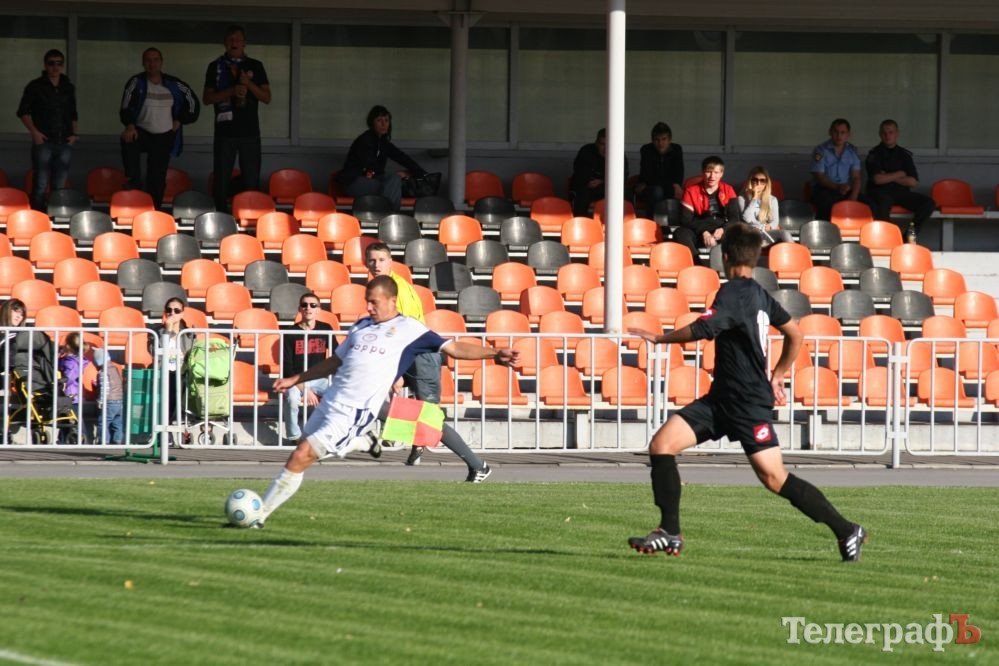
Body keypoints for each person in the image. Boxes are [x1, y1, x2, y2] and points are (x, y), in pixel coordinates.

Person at [626, 223, 867, 562]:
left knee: (774, 477)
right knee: (662, 445)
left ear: (724, 257)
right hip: (721, 399)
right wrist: (778, 375)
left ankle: (846, 529)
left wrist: (660, 338)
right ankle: (669, 531)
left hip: (748, 403)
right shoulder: (758, 293)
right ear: (755, 258)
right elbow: (795, 333)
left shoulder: (733, 293)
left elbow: (703, 328)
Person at [254, 276, 519, 527]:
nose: (368, 307)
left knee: (302, 455)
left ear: (392, 300)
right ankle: (362, 442)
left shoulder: (411, 329)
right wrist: (296, 379)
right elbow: (335, 361)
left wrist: (495, 354)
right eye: (367, 301)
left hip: (356, 409)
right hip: (332, 400)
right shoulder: (361, 325)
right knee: (301, 452)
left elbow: (454, 348)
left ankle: (258, 515)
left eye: (374, 302)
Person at [365, 241, 440, 465]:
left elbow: (406, 332)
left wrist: (397, 370)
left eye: (381, 260)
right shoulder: (382, 286)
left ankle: (472, 461)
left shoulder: (398, 288)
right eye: (372, 260)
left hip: (419, 353)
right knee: (371, 391)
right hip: (405, 351)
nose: (376, 265)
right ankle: (389, 435)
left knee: (427, 408)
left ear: (390, 262)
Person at [119, 47, 200, 209]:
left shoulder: (174, 83)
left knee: (157, 178)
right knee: (127, 139)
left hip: (164, 135)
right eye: (148, 60)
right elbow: (125, 107)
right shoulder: (136, 82)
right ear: (143, 63)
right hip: (141, 131)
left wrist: (180, 120)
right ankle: (133, 181)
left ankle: (154, 209)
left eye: (155, 60)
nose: (152, 64)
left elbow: (193, 103)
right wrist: (129, 125)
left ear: (161, 63)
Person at [203, 24, 271, 212]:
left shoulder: (255, 66)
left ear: (244, 43)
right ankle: (220, 216)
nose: (234, 43)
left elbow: (266, 97)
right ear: (225, 43)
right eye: (231, 39)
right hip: (225, 132)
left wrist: (249, 84)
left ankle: (250, 216)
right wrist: (231, 91)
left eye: (238, 39)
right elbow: (207, 98)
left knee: (251, 178)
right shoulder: (215, 66)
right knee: (221, 178)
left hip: (250, 132)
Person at [16, 49, 79, 211]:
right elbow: (22, 112)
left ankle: (54, 217)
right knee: (41, 184)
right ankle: (37, 217)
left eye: (59, 63)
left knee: (59, 185)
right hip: (44, 140)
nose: (55, 67)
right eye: (51, 63)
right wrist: (35, 133)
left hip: (64, 140)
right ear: (45, 65)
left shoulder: (68, 87)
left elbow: (73, 113)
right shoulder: (35, 86)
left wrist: (74, 135)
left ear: (63, 65)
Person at [337, 105, 426, 211]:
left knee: (394, 181)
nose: (384, 124)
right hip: (354, 182)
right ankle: (388, 215)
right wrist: (398, 175)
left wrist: (422, 173)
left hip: (371, 180)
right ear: (372, 123)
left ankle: (387, 214)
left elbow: (402, 157)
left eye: (386, 120)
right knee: (391, 184)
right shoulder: (365, 140)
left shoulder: (383, 142)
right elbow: (371, 166)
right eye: (379, 120)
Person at [865, 119, 936, 245]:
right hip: (881, 193)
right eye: (884, 133)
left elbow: (913, 182)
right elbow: (877, 180)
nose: (887, 136)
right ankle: (886, 241)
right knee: (881, 204)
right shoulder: (874, 154)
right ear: (880, 134)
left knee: (928, 204)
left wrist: (888, 176)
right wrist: (900, 174)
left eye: (891, 132)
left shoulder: (904, 155)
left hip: (900, 193)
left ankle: (908, 236)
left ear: (897, 134)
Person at [281, 292, 335, 443]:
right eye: (304, 305)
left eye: (313, 305)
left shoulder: (326, 329)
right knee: (292, 399)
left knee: (339, 395)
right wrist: (305, 389)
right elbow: (287, 369)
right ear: (299, 309)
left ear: (318, 309)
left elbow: (337, 355)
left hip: (319, 379)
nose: (308, 308)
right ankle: (295, 437)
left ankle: (331, 434)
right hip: (296, 380)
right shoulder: (289, 332)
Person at [671, 156, 740, 265]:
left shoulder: (728, 190)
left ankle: (730, 266)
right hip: (697, 228)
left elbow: (734, 218)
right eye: (708, 172)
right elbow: (685, 220)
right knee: (680, 233)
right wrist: (704, 232)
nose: (712, 176)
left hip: (720, 227)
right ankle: (697, 264)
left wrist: (723, 229)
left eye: (716, 172)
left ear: (721, 174)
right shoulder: (691, 191)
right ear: (702, 172)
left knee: (739, 232)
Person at [149, 297, 193, 426]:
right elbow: (155, 351)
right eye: (169, 310)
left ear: (182, 313)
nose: (172, 313)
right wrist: (167, 331)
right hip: (163, 371)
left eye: (176, 310)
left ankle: (170, 427)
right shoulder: (156, 332)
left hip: (182, 372)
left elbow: (190, 353)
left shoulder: (188, 333)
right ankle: (165, 429)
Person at [810, 118, 863, 221]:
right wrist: (838, 187)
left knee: (870, 205)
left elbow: (856, 177)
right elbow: (819, 177)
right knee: (828, 206)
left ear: (848, 135)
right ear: (830, 132)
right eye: (836, 132)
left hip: (845, 190)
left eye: (843, 132)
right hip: (825, 189)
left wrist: (854, 196)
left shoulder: (852, 151)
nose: (839, 136)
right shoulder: (820, 150)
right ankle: (826, 230)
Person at [569, 128, 629, 217]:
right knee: (582, 193)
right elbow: (580, 172)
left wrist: (603, 181)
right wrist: (590, 181)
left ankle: (622, 221)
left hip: (607, 187)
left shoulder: (619, 154)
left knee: (624, 192)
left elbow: (622, 176)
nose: (606, 148)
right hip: (587, 186)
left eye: (610, 145)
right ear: (596, 143)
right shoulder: (586, 151)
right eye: (602, 144)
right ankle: (581, 221)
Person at [635, 122, 684, 214]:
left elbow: (679, 173)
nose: (660, 143)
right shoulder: (646, 150)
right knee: (657, 191)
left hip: (666, 187)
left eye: (664, 139)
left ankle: (667, 221)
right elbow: (647, 175)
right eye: (657, 140)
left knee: (674, 192)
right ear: (652, 140)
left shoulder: (676, 150)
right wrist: (673, 184)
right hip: (650, 187)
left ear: (669, 140)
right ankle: (654, 220)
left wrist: (677, 185)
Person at [737, 166, 793, 245]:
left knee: (785, 233)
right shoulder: (742, 199)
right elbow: (747, 218)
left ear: (766, 183)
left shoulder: (772, 199)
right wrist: (754, 198)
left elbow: (775, 221)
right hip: (750, 234)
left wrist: (770, 226)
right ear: (750, 181)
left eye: (762, 181)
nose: (758, 183)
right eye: (755, 180)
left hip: (767, 232)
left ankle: (796, 252)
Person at [92, 348, 124, 445]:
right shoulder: (115, 369)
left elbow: (104, 389)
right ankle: (118, 440)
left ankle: (104, 441)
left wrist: (100, 401)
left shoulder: (103, 372)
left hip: (109, 401)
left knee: (103, 421)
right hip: (119, 400)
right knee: (117, 422)